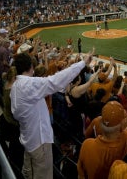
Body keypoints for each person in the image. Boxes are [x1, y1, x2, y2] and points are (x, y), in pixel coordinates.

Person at [11, 48, 95, 179]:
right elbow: (56, 80)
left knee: (28, 172)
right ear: (31, 67)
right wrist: (82, 63)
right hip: (39, 143)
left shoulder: (16, 85)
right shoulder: (28, 85)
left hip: (28, 140)